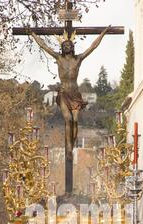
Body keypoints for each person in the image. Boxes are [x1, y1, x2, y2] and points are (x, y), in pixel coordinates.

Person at [31, 26, 110, 154]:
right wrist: (33, 34)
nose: (67, 46)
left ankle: (72, 144)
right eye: (64, 45)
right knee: (68, 119)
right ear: (62, 48)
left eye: (69, 45)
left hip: (75, 94)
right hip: (63, 93)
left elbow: (92, 47)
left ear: (72, 47)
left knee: (75, 120)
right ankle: (68, 148)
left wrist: (103, 33)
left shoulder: (78, 59)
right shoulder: (58, 58)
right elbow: (44, 46)